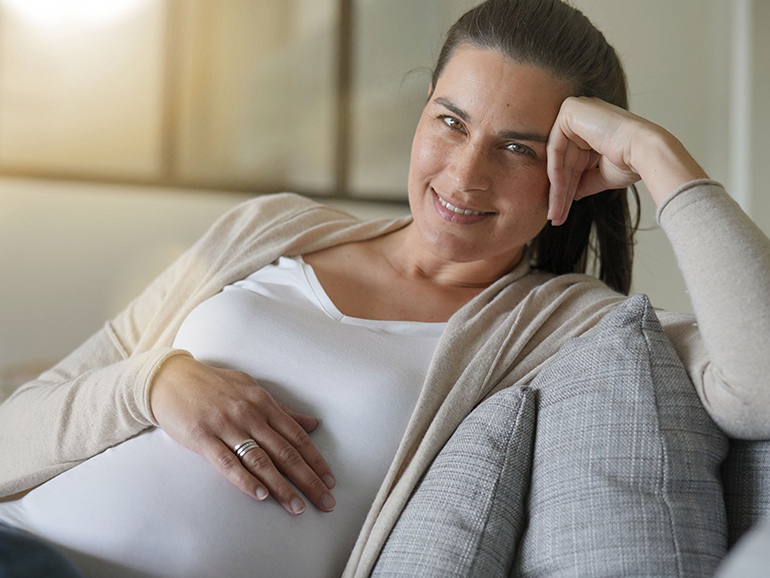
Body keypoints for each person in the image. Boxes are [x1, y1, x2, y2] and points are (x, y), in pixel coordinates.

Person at [1, 0, 769, 576]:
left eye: (518, 148)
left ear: (577, 170)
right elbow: (13, 435)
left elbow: (759, 386)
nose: (466, 175)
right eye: (451, 122)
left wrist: (658, 154)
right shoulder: (271, 228)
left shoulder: (569, 328)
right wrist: (157, 383)